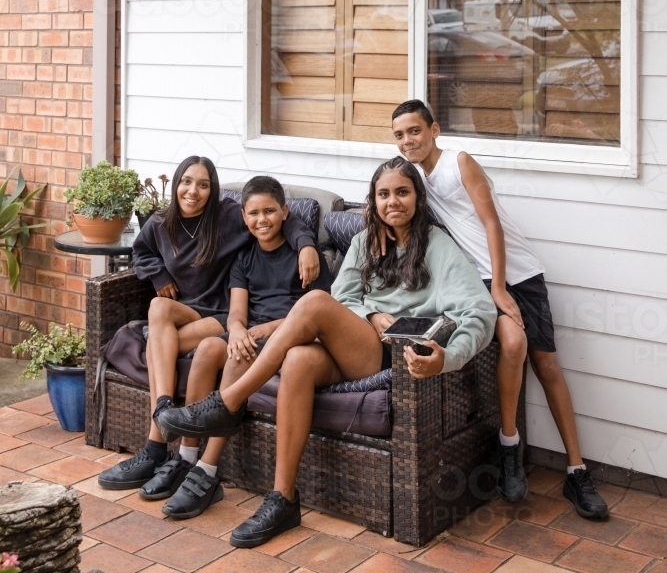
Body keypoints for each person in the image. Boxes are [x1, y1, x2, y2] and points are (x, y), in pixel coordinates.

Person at [158, 156, 496, 547]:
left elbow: (480, 312)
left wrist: (447, 359)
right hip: (356, 344)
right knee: (299, 359)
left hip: (391, 358)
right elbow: (346, 298)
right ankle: (283, 498)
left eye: (402, 192)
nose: (393, 202)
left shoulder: (438, 246)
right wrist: (370, 314)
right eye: (383, 194)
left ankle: (228, 402)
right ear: (373, 201)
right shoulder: (364, 241)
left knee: (315, 302)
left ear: (418, 197)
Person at [391, 99, 608, 520]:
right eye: (399, 134)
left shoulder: (460, 162)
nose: (407, 140)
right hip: (480, 283)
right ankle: (510, 449)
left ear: (434, 130)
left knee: (546, 365)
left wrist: (499, 284)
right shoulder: (416, 176)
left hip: (519, 275)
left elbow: (491, 222)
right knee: (513, 344)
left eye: (414, 130)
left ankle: (577, 472)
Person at [98, 156, 320, 495]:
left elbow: (280, 219)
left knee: (158, 343)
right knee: (158, 307)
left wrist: (306, 244)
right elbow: (141, 252)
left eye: (203, 185)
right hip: (189, 311)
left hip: (222, 312)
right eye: (187, 182)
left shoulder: (229, 216)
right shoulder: (160, 222)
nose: (193, 191)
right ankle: (161, 421)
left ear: (213, 190)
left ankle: (156, 445)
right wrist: (158, 274)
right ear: (176, 184)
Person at [157, 175, 332, 519]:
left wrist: (258, 331)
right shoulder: (244, 258)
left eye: (270, 211)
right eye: (253, 213)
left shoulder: (305, 256)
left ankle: (208, 470)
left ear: (285, 212)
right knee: (209, 347)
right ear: (244, 217)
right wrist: (237, 329)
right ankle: (187, 456)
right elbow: (237, 311)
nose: (261, 219)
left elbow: (317, 314)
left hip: (291, 339)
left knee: (239, 356)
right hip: (253, 335)